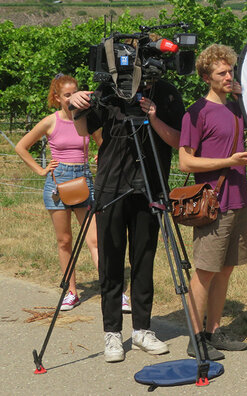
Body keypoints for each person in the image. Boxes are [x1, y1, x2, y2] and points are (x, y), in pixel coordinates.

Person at [70, 70, 185, 362]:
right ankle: (112, 334)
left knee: (144, 259)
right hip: (112, 184)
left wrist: (154, 116)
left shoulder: (167, 92)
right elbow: (84, 130)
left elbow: (178, 141)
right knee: (110, 261)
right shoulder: (108, 88)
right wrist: (76, 107)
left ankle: (142, 330)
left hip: (150, 186)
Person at [179, 44, 247, 361]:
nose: (229, 76)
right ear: (205, 77)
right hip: (212, 201)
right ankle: (195, 337)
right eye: (221, 73)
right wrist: (228, 160)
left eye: (231, 71)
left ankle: (213, 331)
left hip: (238, 197)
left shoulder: (237, 107)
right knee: (204, 271)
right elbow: (186, 163)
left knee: (225, 270)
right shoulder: (196, 113)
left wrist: (243, 158)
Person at [15, 74, 106, 312]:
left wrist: (101, 153)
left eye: (74, 92)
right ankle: (71, 292)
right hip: (58, 183)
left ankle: (111, 291)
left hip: (83, 179)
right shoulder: (49, 122)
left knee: (95, 239)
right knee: (64, 241)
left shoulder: (86, 119)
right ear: (57, 97)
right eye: (67, 95)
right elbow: (21, 146)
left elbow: (102, 141)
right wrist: (40, 170)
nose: (72, 98)